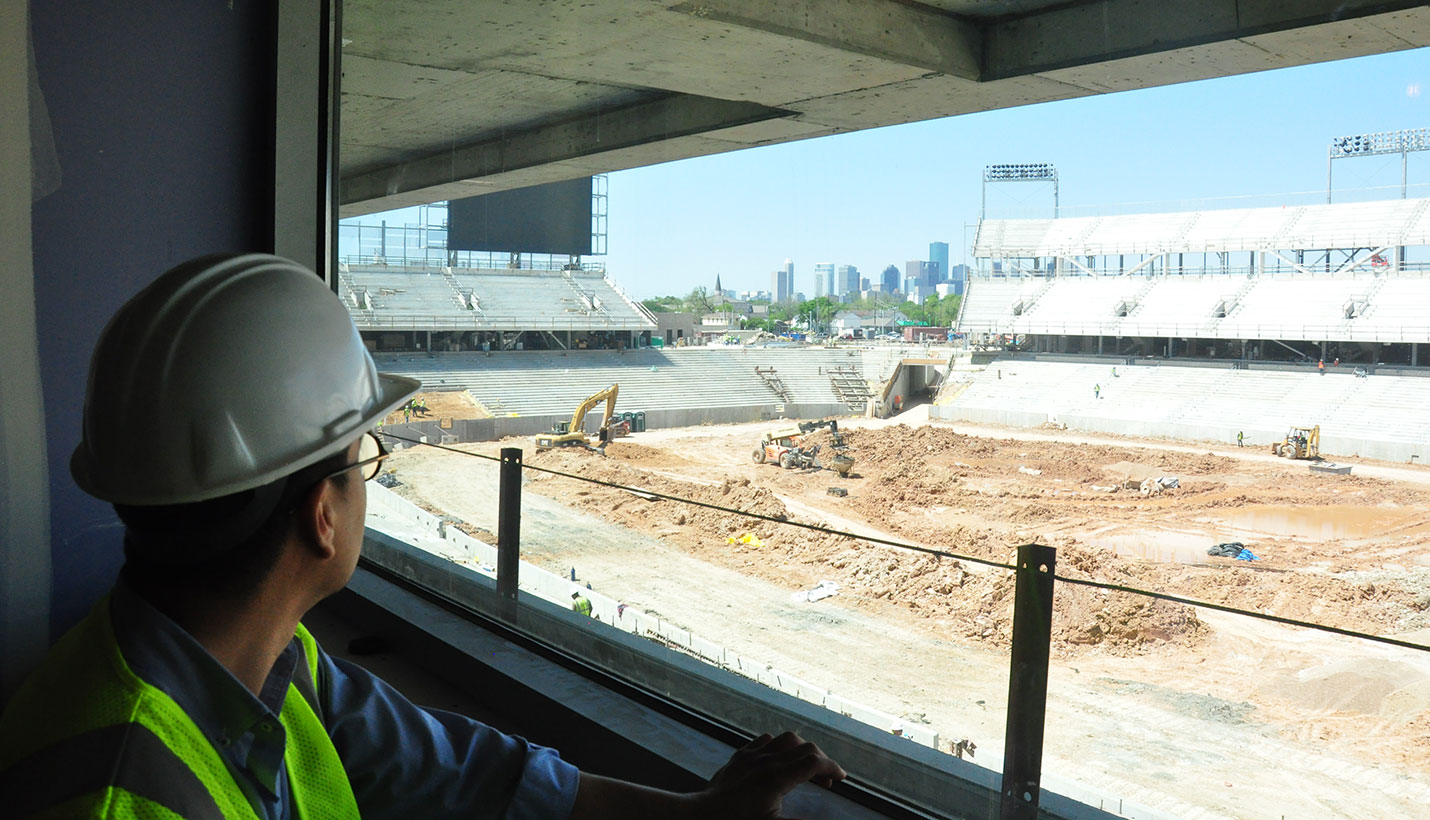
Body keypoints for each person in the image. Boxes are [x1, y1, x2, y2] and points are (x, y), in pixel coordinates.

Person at [0, 254, 843, 820]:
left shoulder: (265, 663)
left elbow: (456, 764)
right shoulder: (124, 792)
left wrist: (694, 812)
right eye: (362, 457)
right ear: (320, 517)